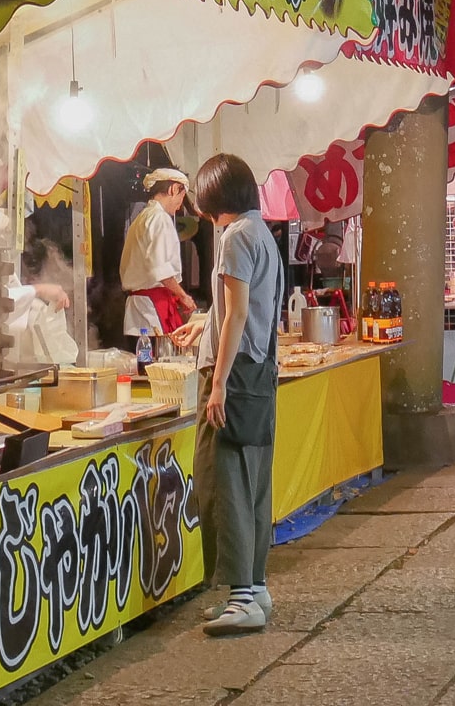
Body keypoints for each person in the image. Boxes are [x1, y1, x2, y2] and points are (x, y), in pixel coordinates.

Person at [170, 154, 283, 635]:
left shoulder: (234, 236)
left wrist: (216, 385)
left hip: (234, 375)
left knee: (227, 481)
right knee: (253, 478)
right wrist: (204, 322)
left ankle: (241, 597)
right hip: (258, 370)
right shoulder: (262, 234)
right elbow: (237, 307)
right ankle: (254, 587)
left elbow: (237, 314)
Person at [121, 167, 197, 339]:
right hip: (151, 309)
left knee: (143, 361)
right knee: (155, 363)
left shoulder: (143, 217)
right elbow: (160, 269)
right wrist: (183, 296)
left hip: (141, 307)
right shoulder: (159, 218)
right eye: (182, 197)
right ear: (173, 189)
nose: (179, 206)